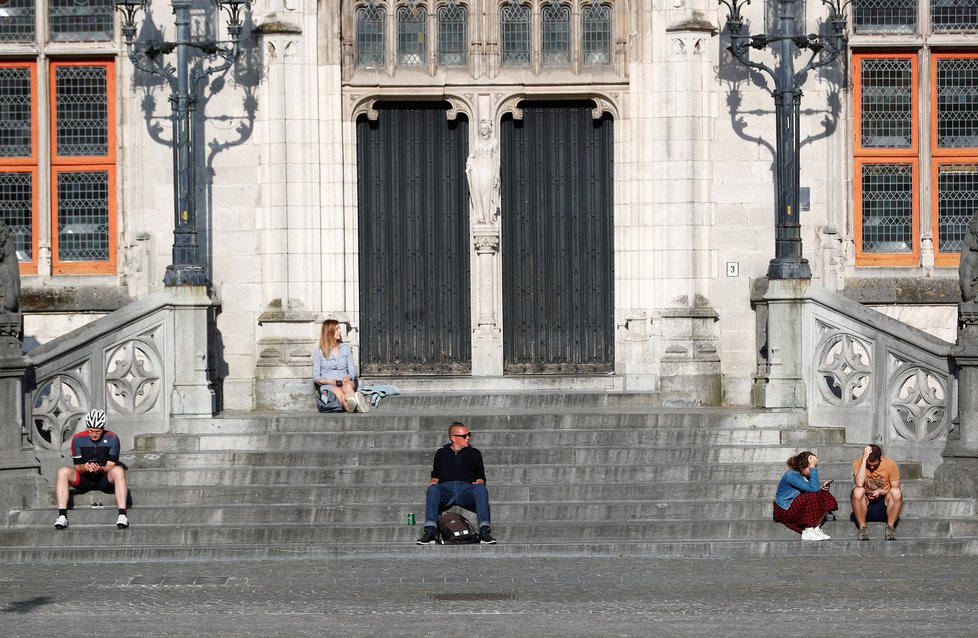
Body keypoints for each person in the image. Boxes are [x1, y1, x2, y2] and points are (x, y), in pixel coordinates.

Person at [416, 422, 496, 545]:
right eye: (464, 436)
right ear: (453, 438)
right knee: (433, 489)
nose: (468, 437)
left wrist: (479, 482)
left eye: (469, 434)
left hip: (466, 489)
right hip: (446, 489)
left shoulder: (474, 453)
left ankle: (484, 531)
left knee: (481, 489)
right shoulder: (441, 453)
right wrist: (433, 481)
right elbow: (435, 474)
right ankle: (430, 531)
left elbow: (481, 476)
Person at [54, 409, 129, 529]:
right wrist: (85, 467)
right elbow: (77, 467)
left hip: (104, 478)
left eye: (98, 431)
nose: (94, 434)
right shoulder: (78, 439)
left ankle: (122, 515)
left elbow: (111, 465)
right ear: (87, 428)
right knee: (63, 471)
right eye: (91, 431)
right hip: (84, 479)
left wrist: (100, 468)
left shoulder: (113, 438)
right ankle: (62, 516)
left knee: (119, 470)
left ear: (103, 429)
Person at [772, 450, 837, 541]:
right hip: (784, 510)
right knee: (813, 495)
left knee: (823, 494)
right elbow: (813, 490)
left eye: (815, 466)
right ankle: (808, 531)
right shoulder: (791, 475)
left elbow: (813, 490)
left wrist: (822, 489)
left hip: (797, 506)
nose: (813, 469)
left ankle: (816, 529)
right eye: (811, 467)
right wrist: (813, 467)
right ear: (802, 467)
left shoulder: (805, 474)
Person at [312, 319, 370, 413]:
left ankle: (353, 401)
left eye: (339, 328)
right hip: (329, 385)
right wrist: (330, 381)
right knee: (341, 396)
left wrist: (348, 377)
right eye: (337, 329)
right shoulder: (319, 351)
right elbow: (316, 377)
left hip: (345, 381)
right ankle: (355, 403)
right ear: (329, 332)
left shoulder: (345, 348)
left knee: (347, 387)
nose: (340, 331)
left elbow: (352, 371)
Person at [851, 444, 903, 541]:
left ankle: (890, 528)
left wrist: (882, 491)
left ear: (880, 458)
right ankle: (862, 528)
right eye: (868, 465)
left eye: (874, 465)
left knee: (896, 492)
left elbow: (896, 488)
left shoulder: (890, 464)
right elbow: (859, 483)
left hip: (885, 505)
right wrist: (863, 460)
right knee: (858, 490)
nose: (871, 467)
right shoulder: (858, 463)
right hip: (864, 506)